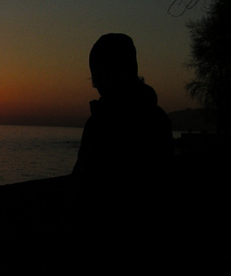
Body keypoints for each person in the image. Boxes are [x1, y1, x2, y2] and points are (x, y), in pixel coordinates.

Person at [70, 34, 175, 252]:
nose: (96, 86)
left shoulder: (104, 123)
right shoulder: (157, 118)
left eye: (97, 77)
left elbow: (90, 185)